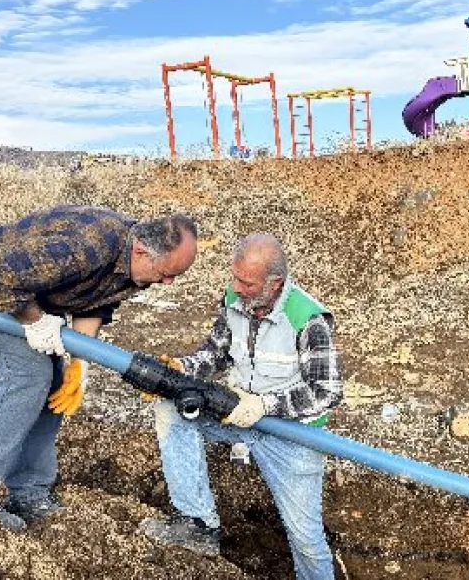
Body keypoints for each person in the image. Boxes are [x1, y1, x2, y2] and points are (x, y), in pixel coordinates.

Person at [0, 205, 200, 531]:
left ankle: (28, 492)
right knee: (28, 375)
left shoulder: (135, 261)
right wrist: (35, 321)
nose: (169, 283)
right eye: (166, 273)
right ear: (142, 251)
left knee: (55, 381)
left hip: (25, 287)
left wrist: (79, 364)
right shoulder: (87, 246)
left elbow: (97, 301)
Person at [143, 232, 343, 580]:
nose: (236, 288)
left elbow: (326, 392)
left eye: (246, 282)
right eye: (234, 277)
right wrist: (183, 369)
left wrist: (265, 405)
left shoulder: (308, 319)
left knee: (306, 540)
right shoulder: (235, 300)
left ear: (275, 283)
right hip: (238, 414)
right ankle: (198, 523)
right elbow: (217, 353)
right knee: (171, 408)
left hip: (292, 436)